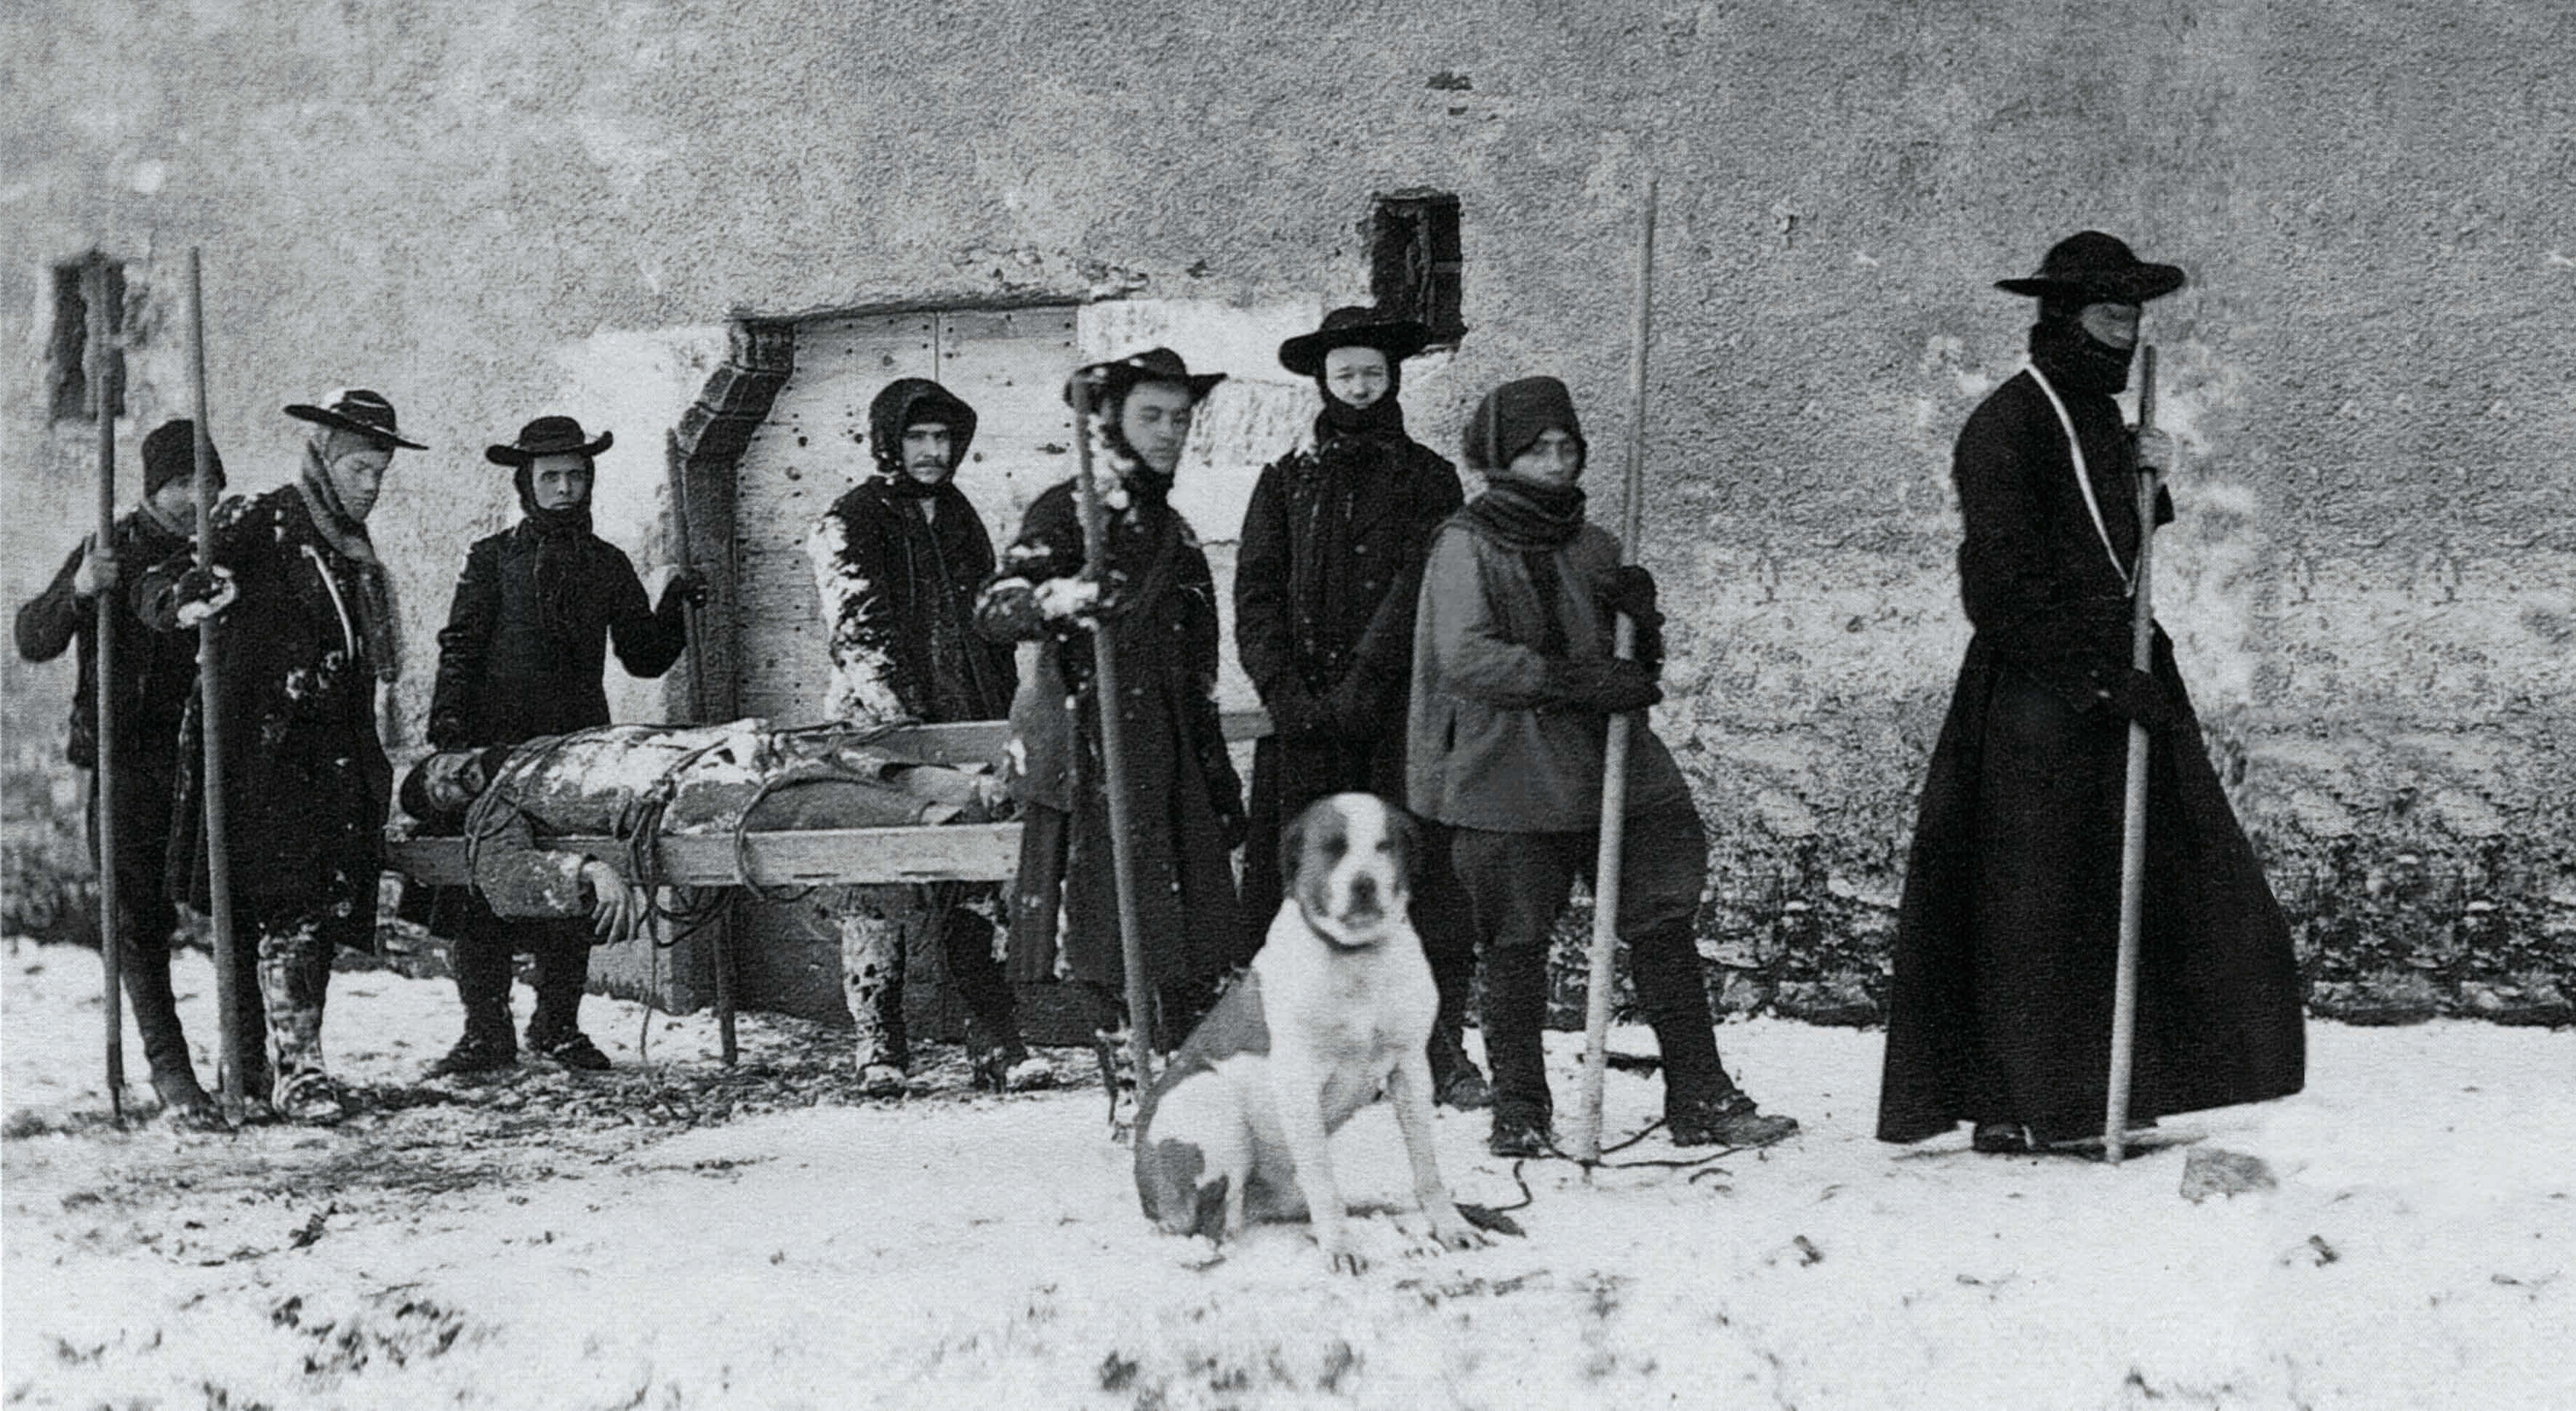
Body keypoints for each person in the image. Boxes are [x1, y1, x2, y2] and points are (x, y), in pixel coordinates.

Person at [1876, 233, 2305, 1153]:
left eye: (2135, 317)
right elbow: (2000, 590)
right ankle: (2020, 1099)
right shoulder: (2009, 425)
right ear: (2064, 319)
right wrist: (2105, 679)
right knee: (2032, 899)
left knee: (2133, 881)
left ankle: (2111, 1084)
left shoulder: (2094, 422)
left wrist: (2148, 480)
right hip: (2044, 689)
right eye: (2112, 316)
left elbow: (2109, 546)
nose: (2127, 333)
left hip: (2116, 671)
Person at [1408, 376, 1800, 1157]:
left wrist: (1640, 630)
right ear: (1496, 460)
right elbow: (1467, 656)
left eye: (1567, 449)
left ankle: (1700, 1093)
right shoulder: (1466, 545)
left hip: (1614, 765)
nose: (1556, 465)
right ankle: (1520, 1108)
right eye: (1535, 451)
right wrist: (1575, 680)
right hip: (1510, 771)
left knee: (1661, 921)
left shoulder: (1594, 546)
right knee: (1516, 941)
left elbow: (1622, 661)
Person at [138, 389, 421, 1123]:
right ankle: (296, 1071)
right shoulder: (263, 520)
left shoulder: (352, 553)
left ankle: (258, 1068)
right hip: (263, 760)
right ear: (325, 460)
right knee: (284, 912)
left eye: (382, 471)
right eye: (361, 467)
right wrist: (188, 595)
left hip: (334, 762)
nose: (372, 484)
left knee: (315, 913)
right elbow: (162, 582)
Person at [1236, 306, 1486, 1109]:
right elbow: (1257, 594)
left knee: (1416, 880)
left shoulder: (1427, 477)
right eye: (1345, 375)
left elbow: (1420, 586)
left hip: (1394, 718)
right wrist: (1285, 693)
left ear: (1393, 380)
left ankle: (1437, 1051)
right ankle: (1303, 1052)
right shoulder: (1284, 479)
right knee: (1303, 883)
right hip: (1305, 722)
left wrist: (1361, 689)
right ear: (1323, 381)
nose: (1358, 387)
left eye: (1372, 374)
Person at [976, 347, 1249, 1068]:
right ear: (1112, 420)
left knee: (1189, 930)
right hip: (1093, 750)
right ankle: (1128, 1072)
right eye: (1151, 415)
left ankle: (1182, 1069)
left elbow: (1202, 673)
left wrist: (1217, 777)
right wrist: (1067, 598)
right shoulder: (1070, 512)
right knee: (1103, 928)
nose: (1169, 432)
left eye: (1181, 418)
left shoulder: (1178, 534)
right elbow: (995, 608)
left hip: (1169, 752)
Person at [418, 415, 703, 1075]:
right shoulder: (491, 560)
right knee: (480, 889)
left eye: (576, 476)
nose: (565, 488)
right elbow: (459, 647)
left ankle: (557, 1024)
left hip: (578, 747)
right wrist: (452, 739)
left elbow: (642, 657)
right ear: (526, 484)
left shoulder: (607, 564)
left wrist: (675, 606)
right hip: (496, 747)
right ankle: (485, 1030)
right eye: (551, 477)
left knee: (573, 881)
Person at [804, 378, 1048, 1094]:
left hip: (969, 728)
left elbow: (989, 633)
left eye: (944, 439)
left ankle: (992, 1034)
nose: (933, 452)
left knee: (982, 871)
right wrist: (902, 723)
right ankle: (879, 1042)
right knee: (877, 876)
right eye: (918, 439)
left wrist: (1004, 725)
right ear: (890, 440)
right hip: (881, 740)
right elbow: (859, 631)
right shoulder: (848, 519)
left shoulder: (961, 516)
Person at [14, 419, 225, 1125]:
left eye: (207, 483)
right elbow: (33, 638)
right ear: (154, 489)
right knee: (138, 920)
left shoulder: (225, 551)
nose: (196, 499)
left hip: (208, 755)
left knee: (236, 903)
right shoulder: (113, 547)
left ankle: (247, 1057)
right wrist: (78, 590)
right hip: (127, 758)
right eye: (181, 484)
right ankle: (170, 1068)